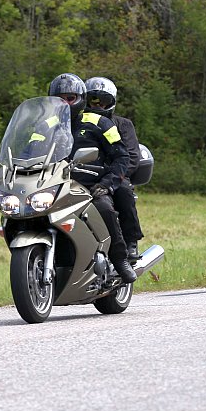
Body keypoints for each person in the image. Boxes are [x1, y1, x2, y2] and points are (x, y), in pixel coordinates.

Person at [48, 73, 137, 283]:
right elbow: (29, 149)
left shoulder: (99, 122)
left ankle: (120, 259)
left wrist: (107, 184)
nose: (65, 103)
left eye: (70, 98)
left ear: (81, 98)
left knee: (104, 209)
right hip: (56, 184)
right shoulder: (48, 124)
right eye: (60, 98)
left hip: (91, 186)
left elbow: (122, 156)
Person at [85, 77, 143, 263]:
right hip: (81, 174)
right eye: (93, 100)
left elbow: (132, 157)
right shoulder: (77, 122)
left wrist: (113, 178)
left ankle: (131, 241)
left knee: (125, 191)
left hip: (114, 175)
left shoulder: (122, 124)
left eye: (104, 101)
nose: (98, 105)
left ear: (112, 102)